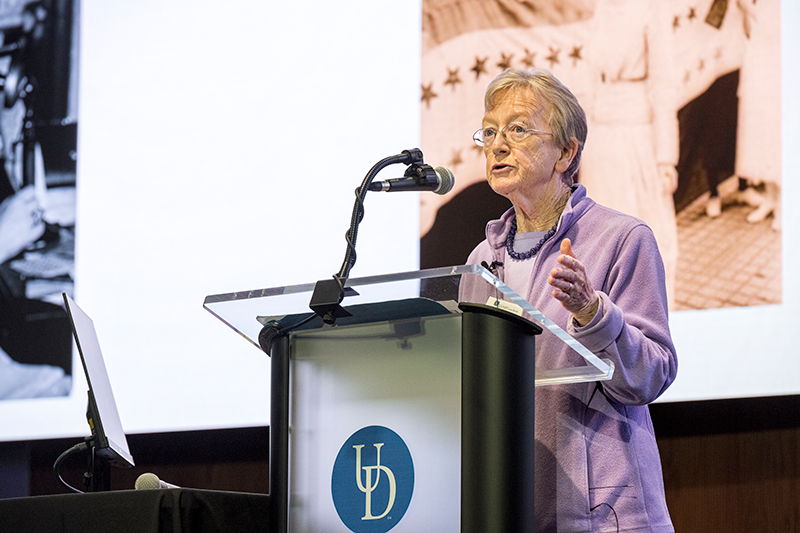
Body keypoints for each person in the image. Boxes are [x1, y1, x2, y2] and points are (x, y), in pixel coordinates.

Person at [461, 68, 677, 532]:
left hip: (606, 516)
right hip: (511, 510)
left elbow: (652, 374)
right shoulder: (480, 261)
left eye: (517, 129)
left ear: (566, 151)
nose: (497, 144)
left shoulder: (622, 239)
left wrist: (593, 313)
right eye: (490, 131)